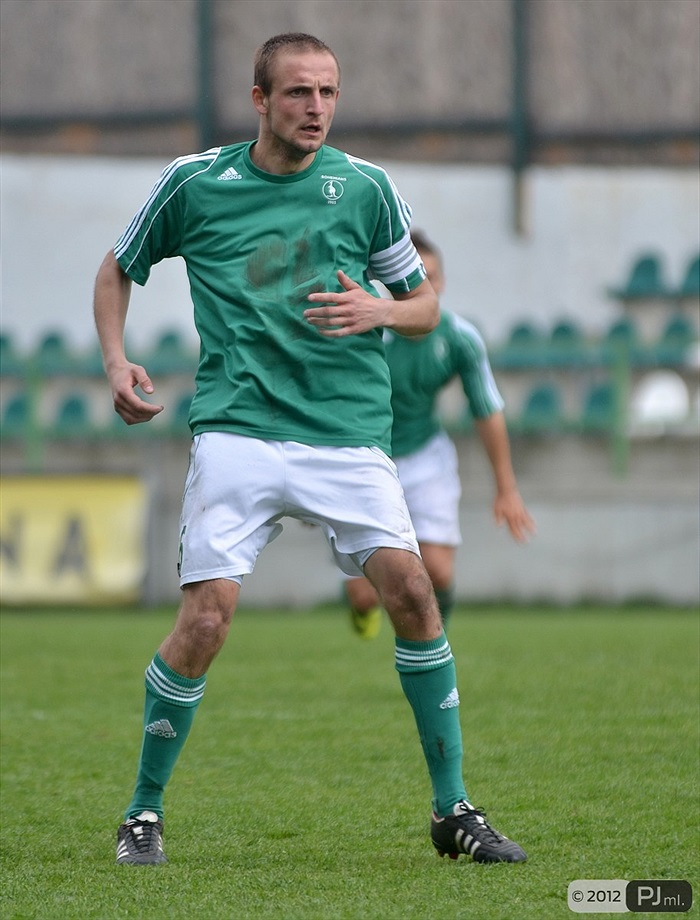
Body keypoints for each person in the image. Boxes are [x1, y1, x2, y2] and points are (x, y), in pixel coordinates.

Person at [94, 32, 527, 867]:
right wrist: (116, 361)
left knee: (414, 595)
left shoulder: (365, 188)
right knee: (208, 618)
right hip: (239, 431)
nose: (316, 108)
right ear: (259, 100)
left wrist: (381, 312)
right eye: (298, 93)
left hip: (347, 436)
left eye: (328, 92)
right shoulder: (195, 183)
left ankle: (453, 810)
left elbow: (426, 305)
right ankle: (142, 814)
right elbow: (118, 269)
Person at [345, 230, 536, 639]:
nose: (421, 284)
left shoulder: (460, 338)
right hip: (365, 456)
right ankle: (364, 610)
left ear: (441, 283)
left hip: (426, 455)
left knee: (438, 570)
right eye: (414, 275)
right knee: (364, 593)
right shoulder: (367, 331)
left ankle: (432, 643)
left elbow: (487, 409)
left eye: (429, 276)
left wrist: (506, 487)